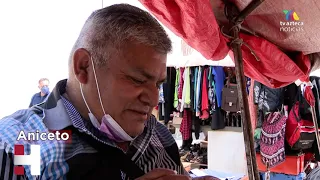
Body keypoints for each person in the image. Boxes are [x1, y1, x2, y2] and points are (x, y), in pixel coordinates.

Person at [0, 4, 215, 180]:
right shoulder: (18, 144)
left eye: (158, 84)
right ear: (84, 67)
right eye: (137, 80)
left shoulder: (160, 136)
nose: (152, 100)